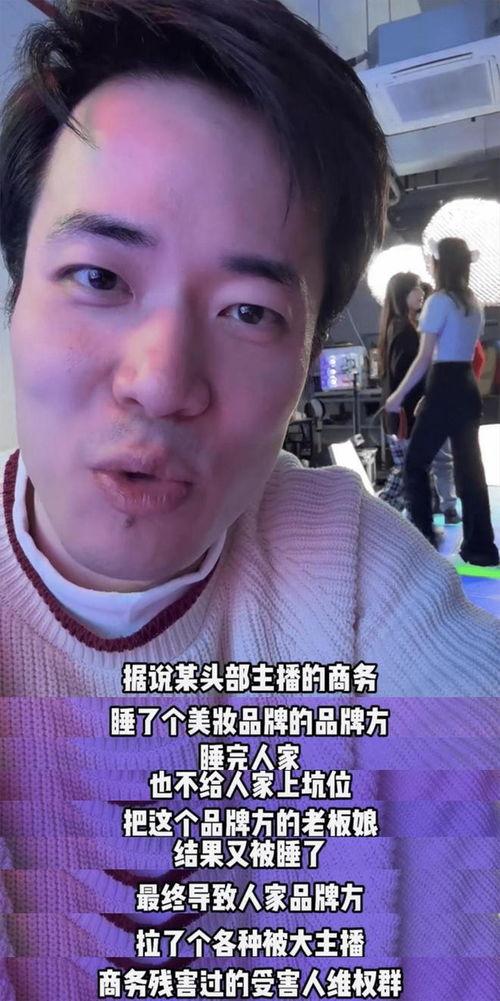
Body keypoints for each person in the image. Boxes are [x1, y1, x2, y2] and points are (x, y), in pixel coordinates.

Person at [0, 3, 498, 999]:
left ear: (307, 354)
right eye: (98, 275)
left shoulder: (350, 567)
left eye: (248, 311)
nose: (161, 380)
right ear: (17, 298)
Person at [385, 237, 499, 566]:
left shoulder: (438, 302)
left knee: (414, 463)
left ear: (440, 264)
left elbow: (425, 359)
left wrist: (398, 396)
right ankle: (481, 547)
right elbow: (465, 353)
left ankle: (424, 539)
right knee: (470, 469)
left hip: (445, 383)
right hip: (466, 388)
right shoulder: (472, 302)